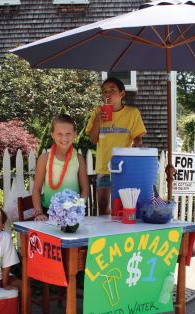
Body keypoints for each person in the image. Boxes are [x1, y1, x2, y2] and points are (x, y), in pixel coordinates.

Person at [86, 77, 147, 215]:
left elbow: (138, 136)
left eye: (112, 90)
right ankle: (105, 234)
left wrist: (137, 143)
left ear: (122, 94)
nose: (107, 94)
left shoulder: (132, 113)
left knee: (124, 205)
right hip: (104, 167)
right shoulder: (98, 111)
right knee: (102, 204)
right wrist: (97, 120)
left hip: (124, 167)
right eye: (104, 91)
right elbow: (93, 139)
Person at [32, 113, 89, 220]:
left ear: (75, 134)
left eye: (68, 133)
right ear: (52, 134)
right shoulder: (44, 158)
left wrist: (78, 207)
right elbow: (36, 189)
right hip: (48, 213)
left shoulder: (79, 159)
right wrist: (39, 212)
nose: (64, 138)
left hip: (73, 214)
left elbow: (85, 189)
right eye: (60, 134)